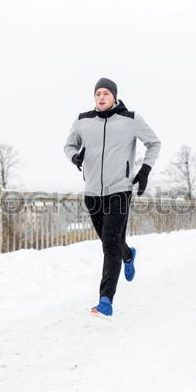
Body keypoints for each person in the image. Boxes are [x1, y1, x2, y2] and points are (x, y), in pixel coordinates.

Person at [64, 78, 161, 318]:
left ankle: (105, 300)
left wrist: (145, 171)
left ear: (114, 97)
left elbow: (154, 143)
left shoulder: (131, 119)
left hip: (120, 190)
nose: (101, 97)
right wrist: (75, 157)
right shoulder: (82, 120)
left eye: (106, 93)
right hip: (93, 193)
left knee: (109, 241)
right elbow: (69, 145)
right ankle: (128, 254)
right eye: (98, 93)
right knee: (112, 243)